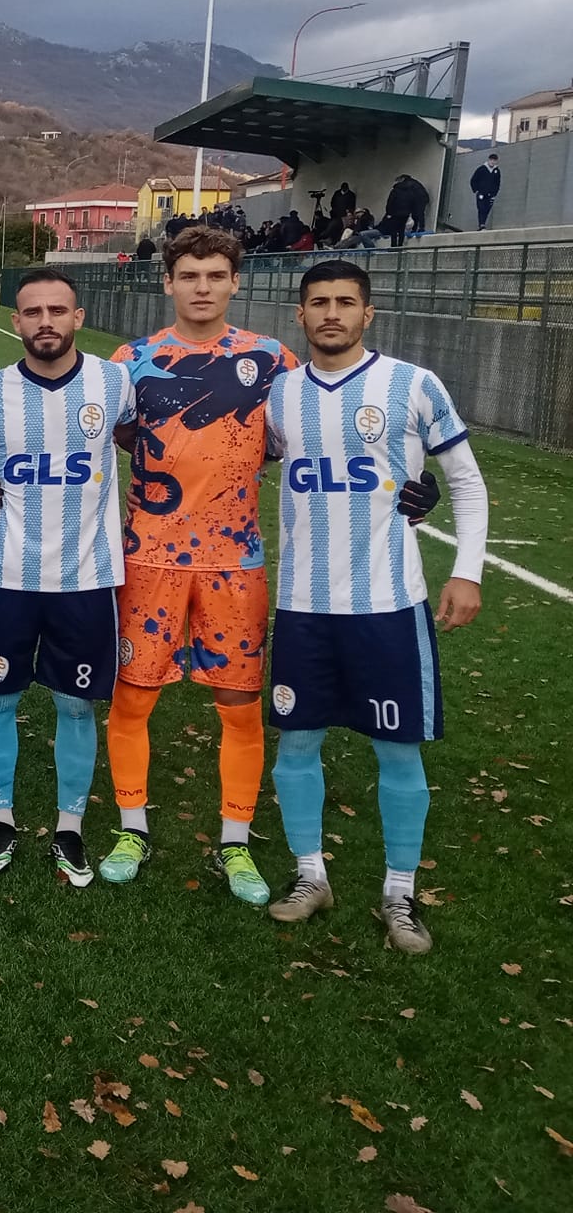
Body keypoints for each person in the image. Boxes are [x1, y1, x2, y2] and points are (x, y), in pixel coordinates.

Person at [264, 260, 488, 952]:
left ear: (369, 313)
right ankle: (311, 876)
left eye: (345, 302)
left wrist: (467, 572)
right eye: (318, 302)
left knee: (398, 749)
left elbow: (466, 480)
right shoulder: (279, 395)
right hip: (302, 603)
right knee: (297, 743)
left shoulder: (412, 384)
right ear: (300, 315)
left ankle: (399, 893)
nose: (331, 313)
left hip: (389, 602)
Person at [101, 227, 297, 904]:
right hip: (148, 555)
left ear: (236, 282)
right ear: (168, 282)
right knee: (132, 698)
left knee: (239, 706)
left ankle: (235, 843)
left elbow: (302, 439)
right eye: (190, 275)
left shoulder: (271, 360)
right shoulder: (133, 360)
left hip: (234, 561)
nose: (203, 287)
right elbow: (114, 436)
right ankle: (131, 829)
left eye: (216, 275)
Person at [0, 267, 134, 888]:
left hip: (85, 577)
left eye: (57, 310)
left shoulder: (114, 383)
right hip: (6, 575)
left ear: (77, 317)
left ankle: (69, 827)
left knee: (75, 704)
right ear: (17, 322)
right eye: (33, 312)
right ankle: (0, 819)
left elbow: (144, 448)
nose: (45, 322)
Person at [383, 174, 430, 247]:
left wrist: (389, 212)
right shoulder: (411, 185)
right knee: (402, 228)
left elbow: (390, 202)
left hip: (414, 202)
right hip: (407, 210)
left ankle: (420, 228)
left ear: (403, 179)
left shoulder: (401, 188)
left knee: (395, 229)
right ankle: (401, 244)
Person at [470, 153, 501, 230]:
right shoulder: (481, 169)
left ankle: (483, 223)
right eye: (491, 160)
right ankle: (481, 224)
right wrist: (476, 190)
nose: (492, 162)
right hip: (481, 193)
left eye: (494, 160)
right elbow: (473, 180)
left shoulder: (496, 171)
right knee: (481, 208)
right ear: (488, 160)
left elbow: (497, 183)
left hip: (491, 194)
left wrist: (494, 193)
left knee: (487, 209)